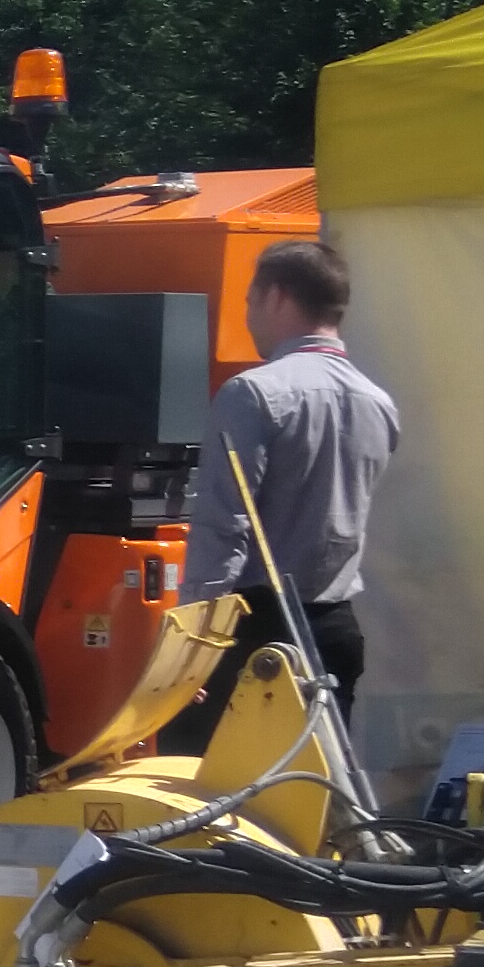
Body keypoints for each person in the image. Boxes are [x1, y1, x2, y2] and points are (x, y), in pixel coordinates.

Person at [186, 236, 402, 722]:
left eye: (250, 302)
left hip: (257, 632)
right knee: (317, 769)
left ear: (277, 296)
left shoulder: (252, 394)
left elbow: (224, 524)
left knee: (211, 769)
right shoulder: (379, 403)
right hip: (335, 626)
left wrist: (195, 642)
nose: (247, 318)